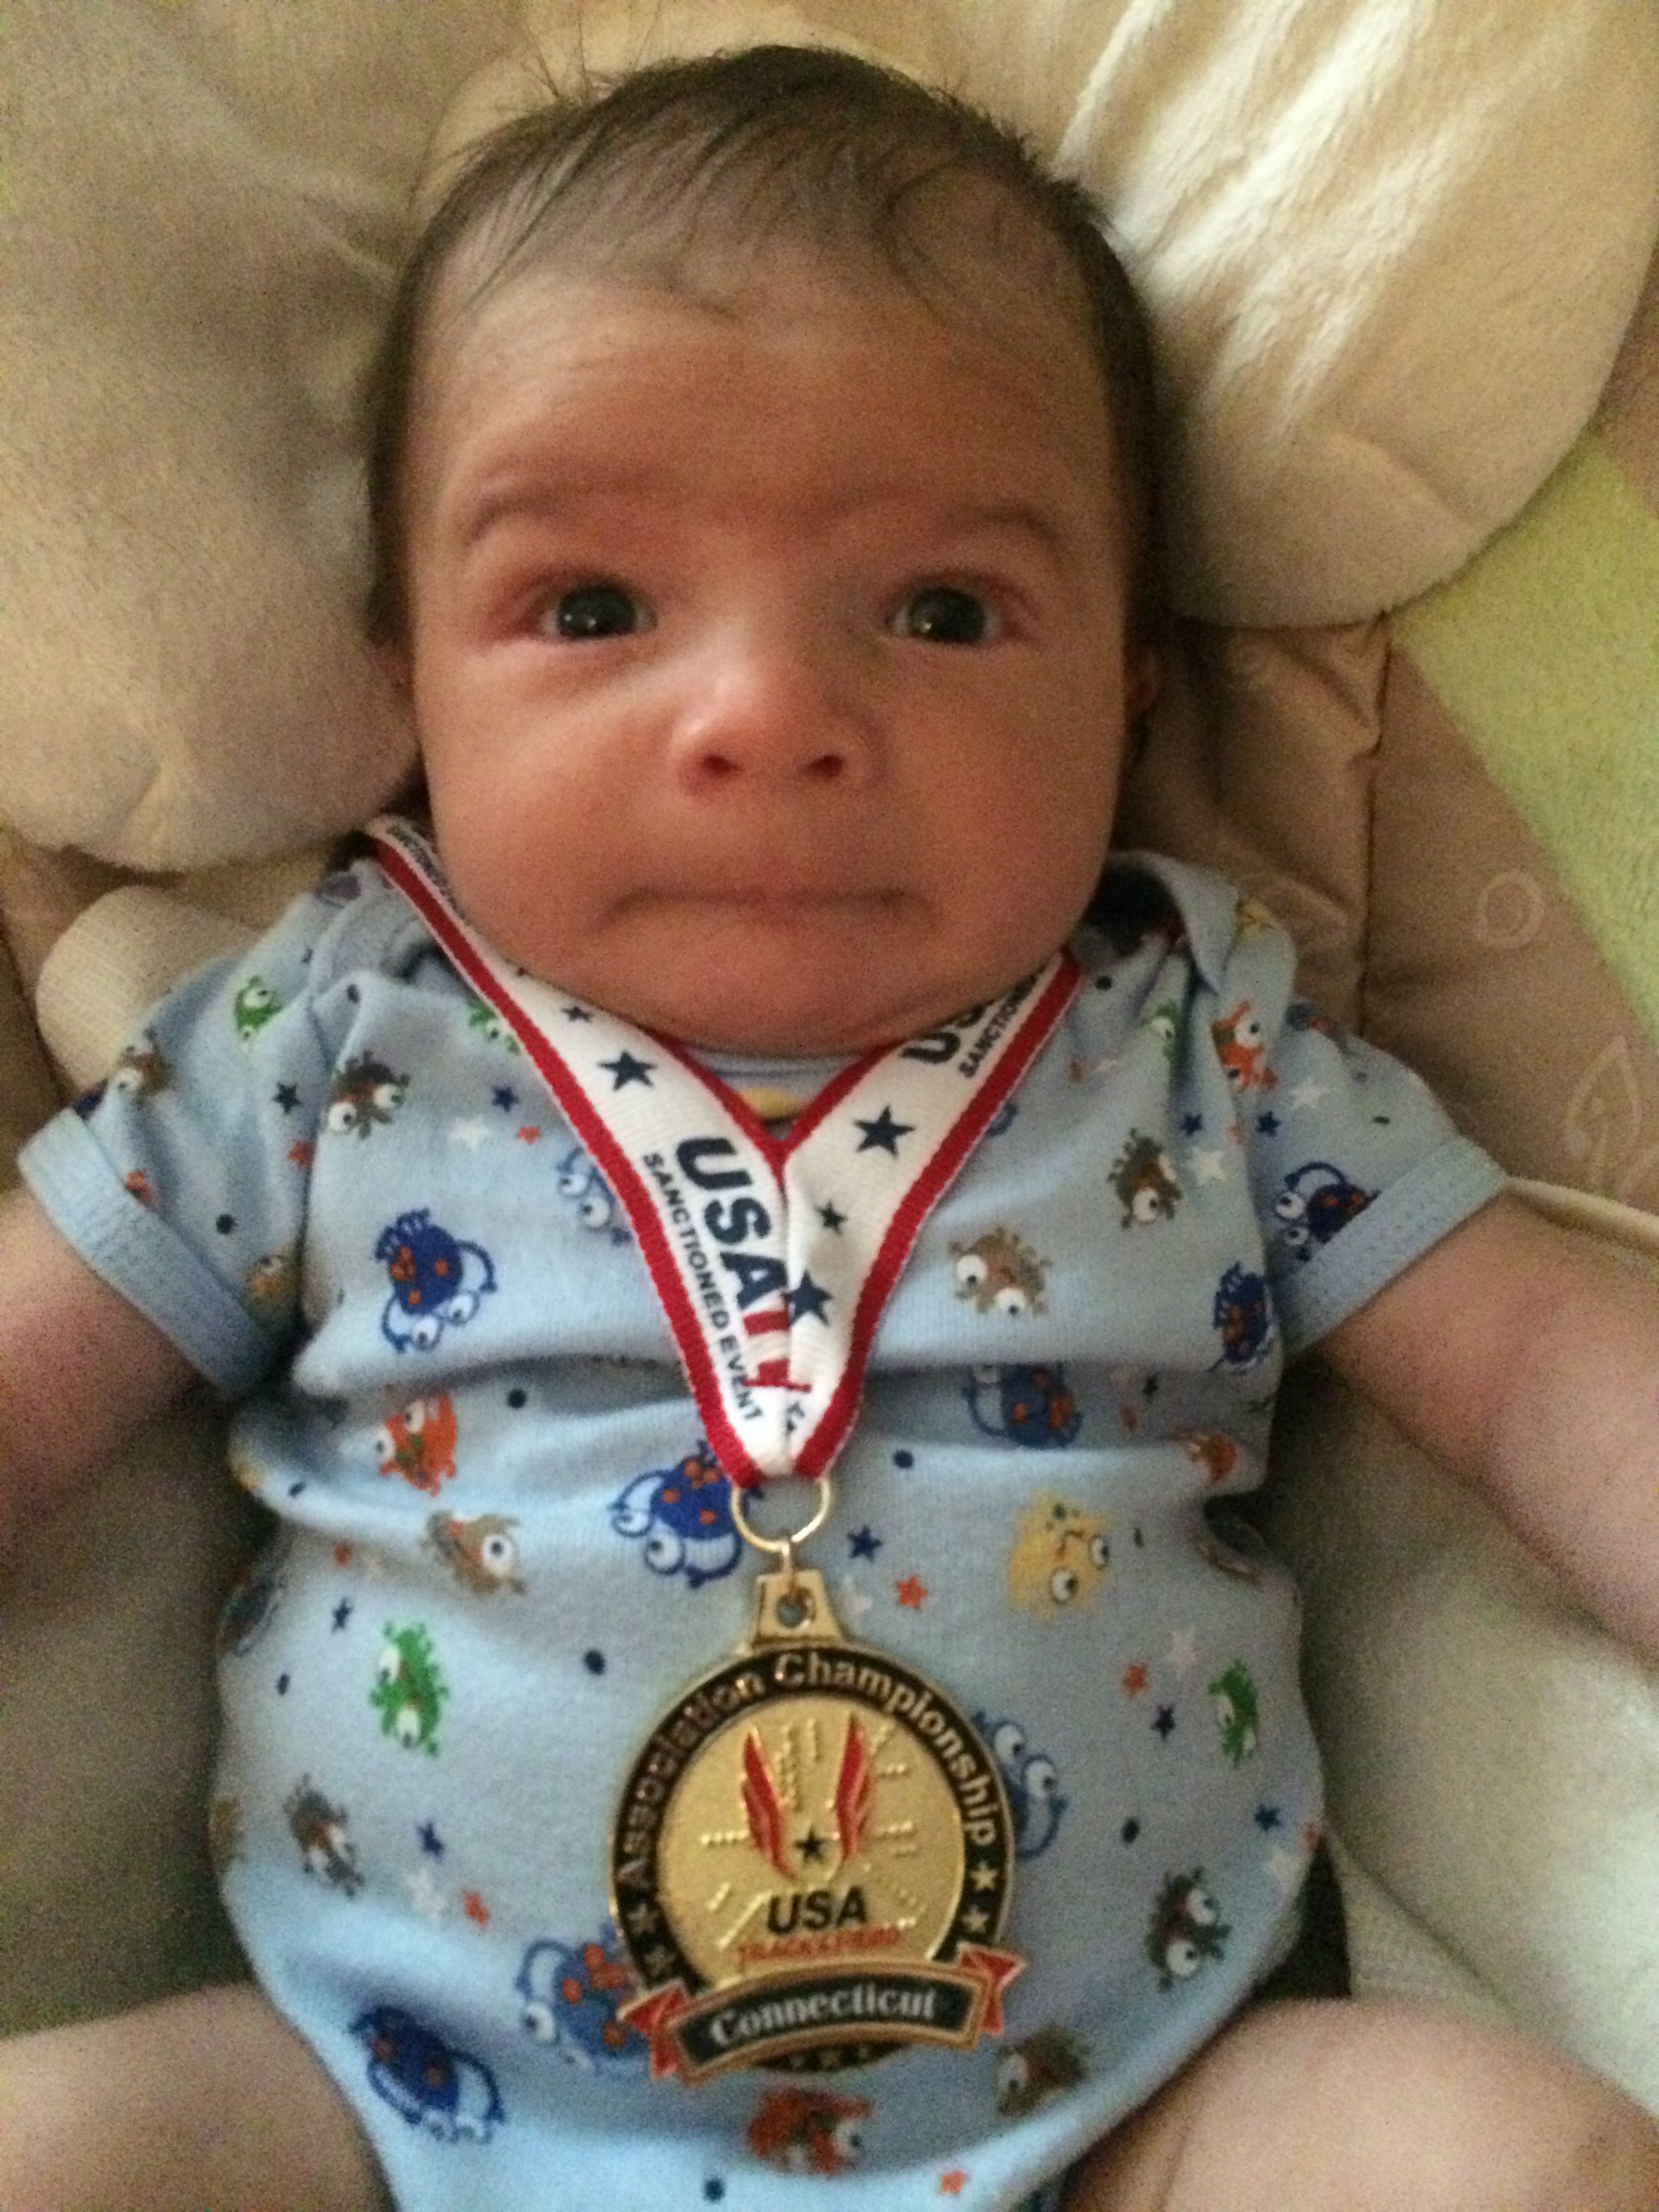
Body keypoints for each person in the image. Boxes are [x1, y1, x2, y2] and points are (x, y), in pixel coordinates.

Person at [1, 42, 1656, 2212]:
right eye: (593, 608)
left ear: (1128, 684)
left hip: (1140, 2114)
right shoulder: (324, 1025)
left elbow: (1533, 1366)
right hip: (373, 2111)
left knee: (1523, 2164)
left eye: (943, 612)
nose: (768, 715)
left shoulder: (1199, 1033)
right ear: (407, 679)